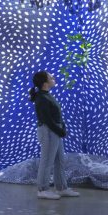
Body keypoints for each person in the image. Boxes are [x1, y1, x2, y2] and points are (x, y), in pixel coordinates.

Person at [29, 71, 79, 200]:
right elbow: (46, 119)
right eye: (51, 77)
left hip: (55, 130)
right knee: (47, 161)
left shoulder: (47, 95)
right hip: (49, 131)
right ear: (45, 83)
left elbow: (55, 115)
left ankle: (61, 188)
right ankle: (42, 189)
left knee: (59, 160)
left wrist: (62, 127)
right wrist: (59, 130)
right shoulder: (41, 98)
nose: (54, 78)